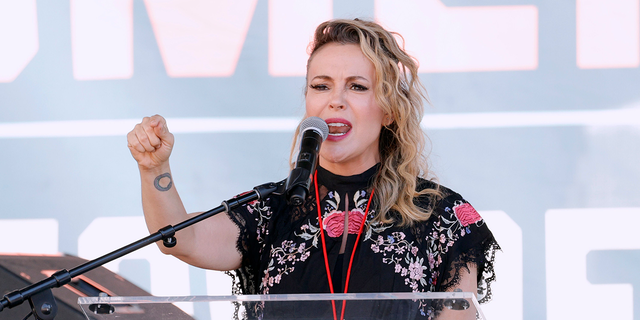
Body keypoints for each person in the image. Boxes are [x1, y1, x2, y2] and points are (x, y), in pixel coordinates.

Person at [127, 19, 498, 319]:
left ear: (388, 109)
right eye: (321, 86)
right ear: (307, 101)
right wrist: (153, 169)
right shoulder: (274, 208)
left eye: (356, 87)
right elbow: (177, 239)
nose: (335, 100)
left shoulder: (443, 216)